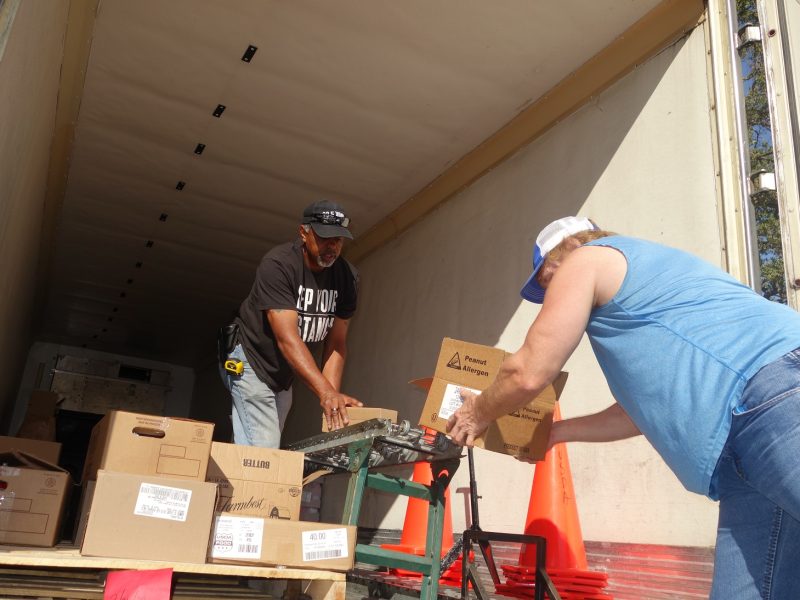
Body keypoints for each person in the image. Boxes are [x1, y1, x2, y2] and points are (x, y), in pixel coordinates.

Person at [446, 215, 800, 599]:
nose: (548, 291)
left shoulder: (585, 260)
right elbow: (636, 413)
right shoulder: (639, 293)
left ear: (560, 255)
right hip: (740, 454)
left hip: (771, 398)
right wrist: (555, 434)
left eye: (545, 278)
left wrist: (476, 412)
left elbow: (529, 371)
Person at [220, 200, 362, 448]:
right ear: (303, 233)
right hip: (250, 360)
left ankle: (225, 480)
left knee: (255, 445)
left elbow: (337, 342)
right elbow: (287, 339)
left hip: (284, 373)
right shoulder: (279, 265)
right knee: (264, 449)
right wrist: (325, 393)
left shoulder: (347, 277)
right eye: (325, 237)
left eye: (338, 239)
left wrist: (331, 399)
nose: (333, 246)